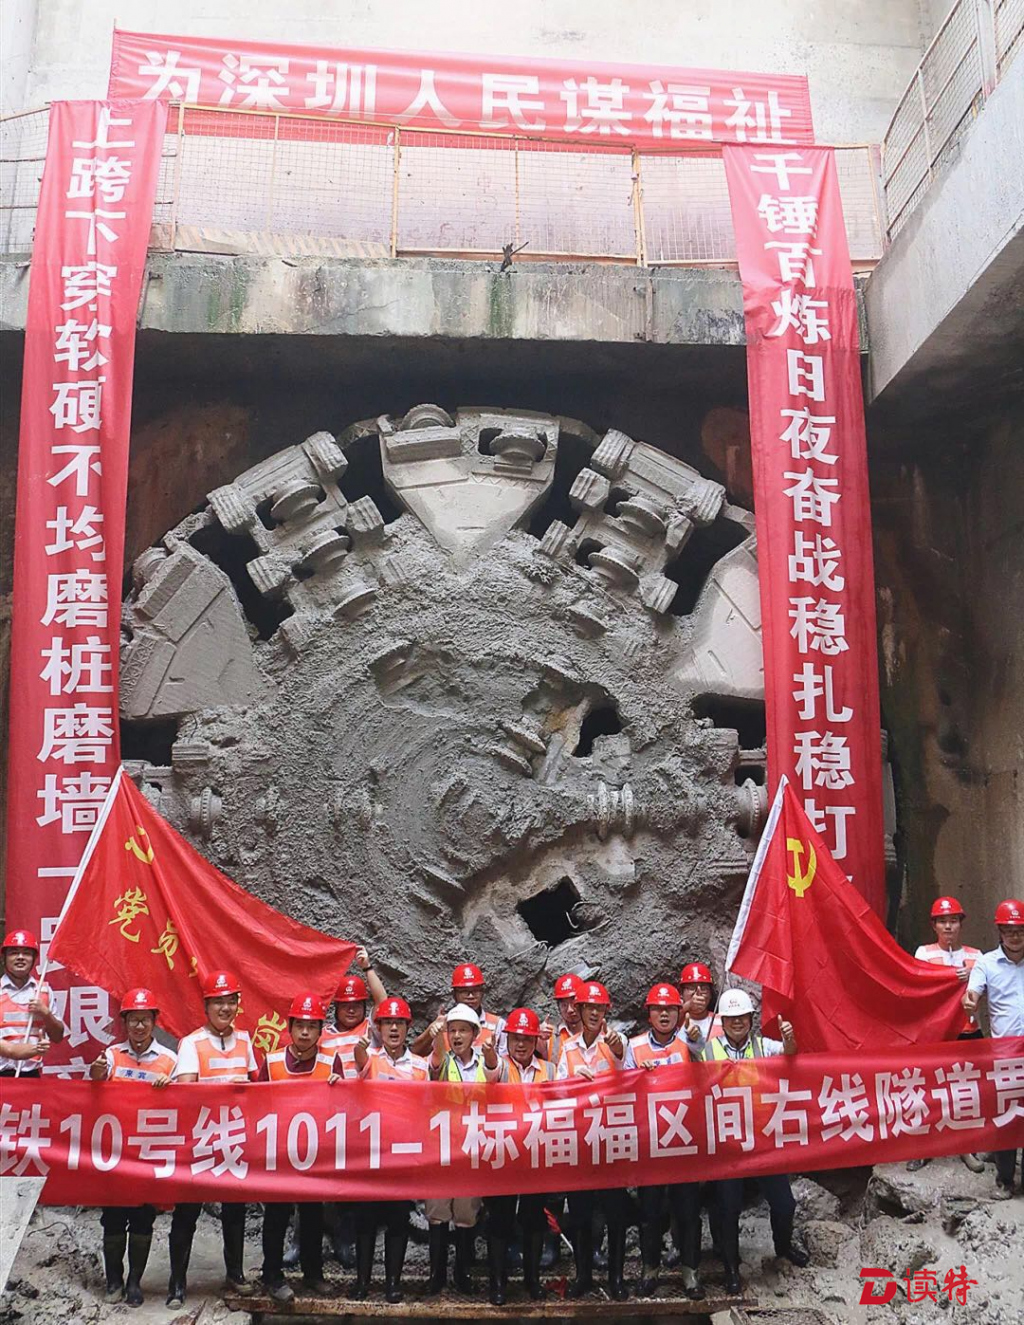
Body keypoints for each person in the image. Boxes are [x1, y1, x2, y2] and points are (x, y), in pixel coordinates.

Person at [701, 989, 808, 1293]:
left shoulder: (763, 1046)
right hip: (728, 1143)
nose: (737, 1022)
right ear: (723, 1021)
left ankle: (783, 1247)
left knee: (784, 1203)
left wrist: (790, 1039)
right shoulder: (708, 1051)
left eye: (742, 1017)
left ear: (750, 1018)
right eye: (731, 1018)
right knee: (728, 1207)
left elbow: (790, 1054)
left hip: (762, 1139)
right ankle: (731, 1267)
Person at [167, 970, 259, 1308]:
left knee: (235, 1211)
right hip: (200, 1141)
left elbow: (257, 1087)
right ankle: (177, 1283)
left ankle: (235, 1273)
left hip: (234, 1139)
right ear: (206, 1006)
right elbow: (186, 1091)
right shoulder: (191, 1043)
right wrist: (227, 1089)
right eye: (218, 1002)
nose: (224, 1008)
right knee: (186, 1213)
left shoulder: (245, 1041)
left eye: (230, 1001)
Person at [88, 988, 176, 1307]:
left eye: (144, 1020)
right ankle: (114, 1281)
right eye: (133, 1020)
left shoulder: (170, 1060)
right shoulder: (111, 1055)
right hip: (115, 1154)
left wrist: (171, 1087)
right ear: (124, 1022)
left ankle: (135, 1282)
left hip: (148, 1155)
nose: (139, 1026)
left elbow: (184, 1103)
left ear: (154, 1022)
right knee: (112, 1218)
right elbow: (95, 1085)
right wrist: (97, 1072)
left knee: (142, 1219)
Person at [257, 994, 341, 1304]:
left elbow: (342, 1109)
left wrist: (340, 1086)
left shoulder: (331, 1062)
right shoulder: (273, 1062)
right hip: (279, 1153)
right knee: (276, 1216)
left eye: (312, 1026)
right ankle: (272, 1274)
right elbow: (256, 1105)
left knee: (312, 1215)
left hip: (315, 1154)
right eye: (300, 1026)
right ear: (290, 1027)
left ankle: (313, 1273)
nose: (305, 1032)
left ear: (320, 1030)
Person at [625, 983, 704, 1300]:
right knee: (650, 1213)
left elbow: (705, 1066)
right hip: (650, 1143)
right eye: (658, 1009)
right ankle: (650, 1269)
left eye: (670, 1009)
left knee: (688, 1212)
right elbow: (623, 1091)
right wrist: (638, 1077)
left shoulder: (689, 1042)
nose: (664, 1014)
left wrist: (694, 1037)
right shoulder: (634, 1047)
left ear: (678, 1013)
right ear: (649, 1014)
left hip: (684, 1142)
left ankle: (691, 1272)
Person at [352, 997, 429, 1301]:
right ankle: (362, 1282)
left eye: (399, 1023)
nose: (394, 1029)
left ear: (408, 1027)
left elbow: (428, 1108)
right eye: (388, 1023)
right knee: (365, 1220)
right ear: (379, 1028)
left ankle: (393, 1283)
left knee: (398, 1220)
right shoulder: (370, 1059)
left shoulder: (420, 1066)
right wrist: (359, 1050)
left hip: (403, 1155)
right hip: (371, 1154)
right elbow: (359, 1063)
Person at [556, 981, 629, 1300]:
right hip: (580, 1141)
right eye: (589, 1008)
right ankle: (583, 1275)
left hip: (611, 1139)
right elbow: (556, 1089)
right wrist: (573, 1083)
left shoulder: (616, 1040)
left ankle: (616, 1278)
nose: (594, 1013)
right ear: (581, 1010)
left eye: (599, 1008)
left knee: (616, 1213)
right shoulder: (568, 1048)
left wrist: (617, 1048)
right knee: (580, 1213)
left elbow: (626, 1066)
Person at [424, 1005, 501, 1297]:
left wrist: (491, 1056)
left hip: (473, 1149)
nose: (457, 1036)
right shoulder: (443, 1060)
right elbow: (435, 1064)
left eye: (463, 1030)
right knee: (438, 1211)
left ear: (474, 1034)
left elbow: (494, 1076)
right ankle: (436, 1275)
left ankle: (462, 1272)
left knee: (466, 1213)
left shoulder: (485, 1061)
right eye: (452, 1030)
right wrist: (436, 1037)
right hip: (443, 1149)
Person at [908, 897, 984, 1173]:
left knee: (968, 1091)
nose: (948, 926)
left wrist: (972, 974)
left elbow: (986, 988)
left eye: (953, 921)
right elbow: (919, 986)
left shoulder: (977, 956)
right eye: (943, 921)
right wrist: (947, 976)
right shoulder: (923, 953)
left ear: (961, 924)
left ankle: (966, 1147)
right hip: (937, 1034)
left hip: (968, 1031)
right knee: (930, 1089)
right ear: (934, 926)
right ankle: (926, 1147)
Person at [963, 898, 1024, 1199]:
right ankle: (1005, 1181)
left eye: (1020, 931)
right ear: (1000, 932)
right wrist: (970, 1001)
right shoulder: (986, 963)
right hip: (1005, 1056)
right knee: (1007, 1120)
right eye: (1009, 931)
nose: (1015, 936)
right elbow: (973, 992)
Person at [0, 928, 66, 1076]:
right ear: (4, 958)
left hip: (31, 1075)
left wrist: (46, 1014)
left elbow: (57, 1037)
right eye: (14, 952)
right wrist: (23, 1050)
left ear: (34, 958)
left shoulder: (43, 991)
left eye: (27, 953)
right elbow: (9, 1049)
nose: (20, 957)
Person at [412, 962, 506, 1058]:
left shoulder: (497, 1025)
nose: (471, 996)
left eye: (475, 990)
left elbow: (506, 1062)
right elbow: (415, 1054)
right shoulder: (443, 1023)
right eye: (464, 991)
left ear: (482, 993)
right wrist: (430, 1032)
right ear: (454, 994)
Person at [320, 947, 387, 1076]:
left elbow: (382, 1002)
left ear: (364, 1007)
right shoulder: (322, 1035)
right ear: (337, 1007)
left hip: (364, 1088)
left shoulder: (370, 1028)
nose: (351, 1010)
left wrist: (367, 967)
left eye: (356, 1005)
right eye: (345, 1005)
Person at [538, 972, 583, 1064]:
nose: (570, 1010)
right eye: (564, 1005)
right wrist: (537, 1034)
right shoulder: (550, 1035)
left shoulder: (599, 1032)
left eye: (574, 1004)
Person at [678, 962, 723, 1053]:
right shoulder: (674, 1021)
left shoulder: (721, 1021)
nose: (698, 993)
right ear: (681, 993)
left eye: (704, 988)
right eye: (691, 988)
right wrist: (687, 1006)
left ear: (710, 994)